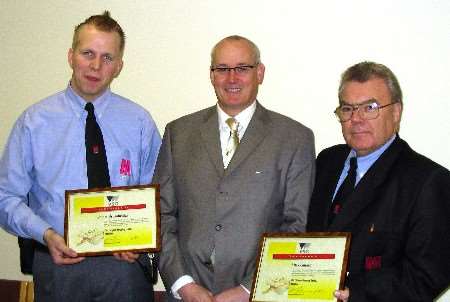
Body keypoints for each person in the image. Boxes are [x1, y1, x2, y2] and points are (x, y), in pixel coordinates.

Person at [0, 11, 161, 302]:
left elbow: (158, 193)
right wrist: (46, 234)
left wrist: (141, 239)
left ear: (119, 66)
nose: (96, 66)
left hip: (124, 268)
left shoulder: (139, 123)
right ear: (71, 56)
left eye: (107, 57)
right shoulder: (33, 122)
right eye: (88, 53)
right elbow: (5, 197)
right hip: (57, 263)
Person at [153, 35, 315, 302]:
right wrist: (182, 283)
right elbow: (162, 215)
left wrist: (249, 289)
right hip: (186, 292)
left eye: (242, 68)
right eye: (222, 69)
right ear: (212, 75)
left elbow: (297, 225)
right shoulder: (178, 133)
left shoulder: (294, 138)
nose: (232, 78)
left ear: (259, 72)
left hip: (261, 293)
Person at [307, 61, 450, 301]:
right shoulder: (326, 161)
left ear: (396, 112)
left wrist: (357, 294)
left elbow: (428, 274)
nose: (357, 119)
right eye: (347, 109)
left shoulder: (429, 181)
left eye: (370, 107)